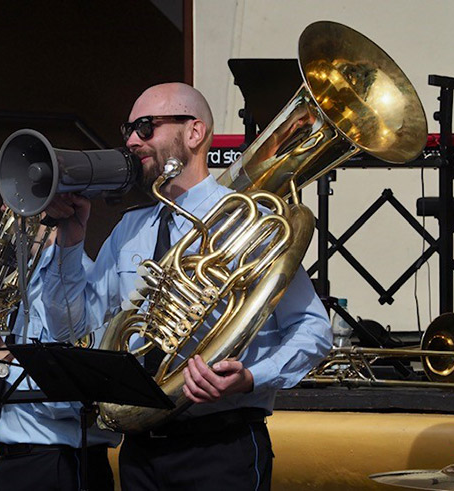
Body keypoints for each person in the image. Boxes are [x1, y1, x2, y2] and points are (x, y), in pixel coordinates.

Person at [41, 82, 332, 490]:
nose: (130, 140)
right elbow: (71, 330)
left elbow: (313, 329)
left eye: (145, 127)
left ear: (194, 133)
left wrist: (251, 376)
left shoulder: (246, 220)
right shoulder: (130, 228)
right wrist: (71, 244)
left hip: (221, 445)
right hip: (141, 450)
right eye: (127, 129)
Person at [0, 227, 120, 491]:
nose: (5, 208)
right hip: (20, 461)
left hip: (59, 465)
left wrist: (3, 368)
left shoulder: (80, 283)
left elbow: (76, 399)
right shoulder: (26, 279)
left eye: (19, 197)